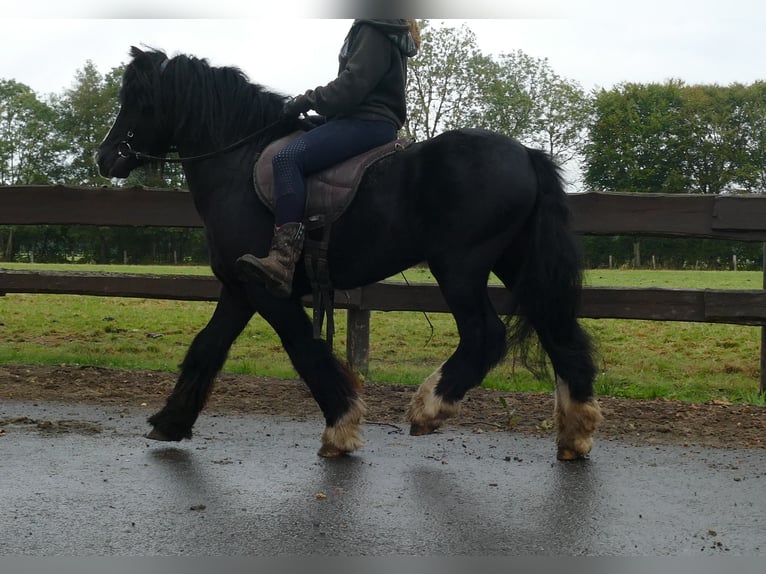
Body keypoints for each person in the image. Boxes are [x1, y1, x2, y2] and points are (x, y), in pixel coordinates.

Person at [236, 18, 421, 298]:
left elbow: (352, 85)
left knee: (288, 158)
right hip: (367, 120)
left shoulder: (373, 26)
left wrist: (308, 100)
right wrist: (325, 119)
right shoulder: (384, 26)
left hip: (366, 122)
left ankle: (283, 259)